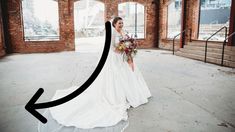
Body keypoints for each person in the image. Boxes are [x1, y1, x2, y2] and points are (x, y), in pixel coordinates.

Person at [38, 17, 151, 131]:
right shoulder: (111, 34)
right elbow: (112, 48)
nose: (121, 24)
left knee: (128, 75)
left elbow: (127, 41)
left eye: (122, 23)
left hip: (122, 57)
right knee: (114, 78)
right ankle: (115, 96)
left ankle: (130, 93)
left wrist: (129, 47)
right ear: (114, 24)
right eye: (119, 23)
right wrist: (123, 48)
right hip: (114, 58)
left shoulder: (123, 32)